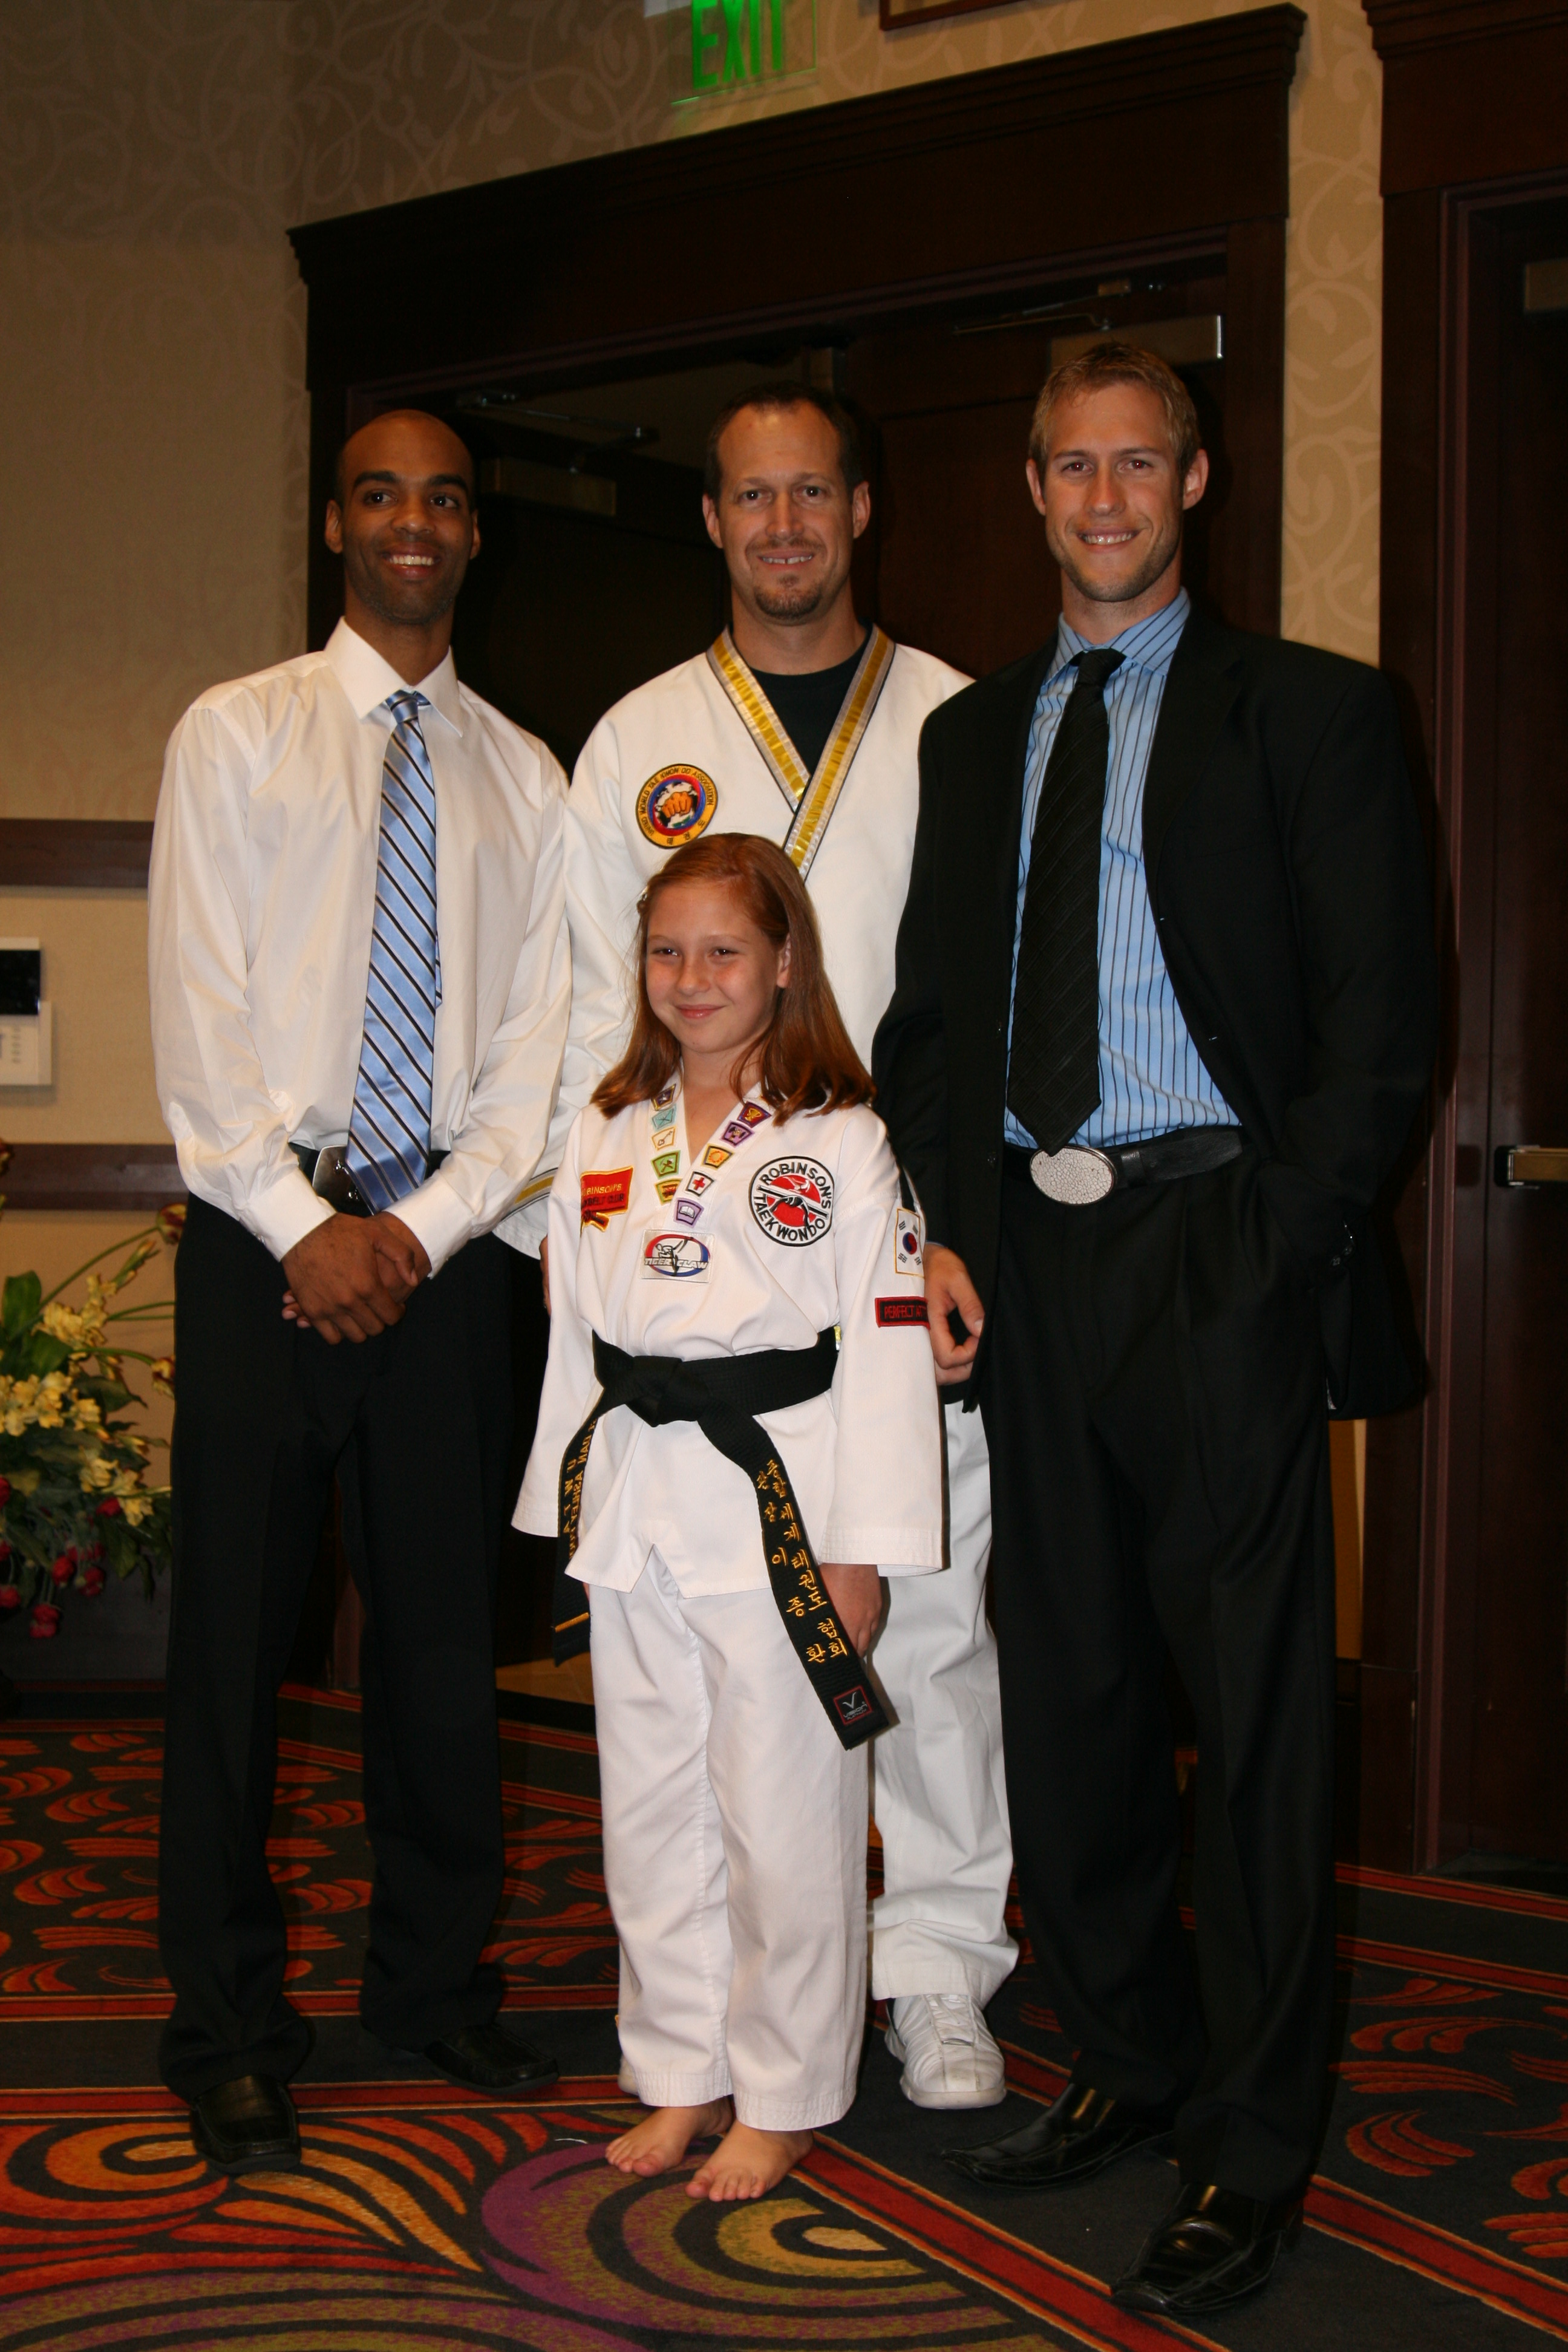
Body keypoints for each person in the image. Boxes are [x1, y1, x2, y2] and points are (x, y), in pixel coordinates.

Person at [874, 343, 1436, 2316]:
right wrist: (942, 1226)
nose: (1103, 495)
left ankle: (1252, 2142)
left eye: (1139, 463)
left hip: (1215, 1247)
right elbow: (933, 1016)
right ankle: (1126, 2054)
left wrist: (1276, 1240)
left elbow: (1384, 1017)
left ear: (1194, 483)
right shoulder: (972, 735)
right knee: (1075, 1696)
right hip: (1024, 1269)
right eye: (1072, 464)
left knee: (1256, 1723)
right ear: (1030, 487)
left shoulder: (1313, 713)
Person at [550, 379, 1015, 2111]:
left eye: (814, 493)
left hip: (904, 1245)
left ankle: (940, 1970)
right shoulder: (638, 737)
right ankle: (725, 2008)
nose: (785, 526)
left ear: (862, 507)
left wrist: (956, 1232)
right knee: (707, 1694)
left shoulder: (958, 718)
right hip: (701, 1253)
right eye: (753, 497)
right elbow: (587, 1012)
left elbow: (997, 1007)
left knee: (927, 1629)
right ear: (712, 519)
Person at [148, 408, 570, 2176]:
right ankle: (228, 2023)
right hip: (262, 1250)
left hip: (444, 1265)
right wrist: (299, 1222)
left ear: (475, 533)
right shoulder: (234, 733)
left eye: (445, 499)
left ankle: (433, 1981)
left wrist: (424, 1230)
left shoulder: (528, 775)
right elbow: (199, 1011)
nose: (415, 523)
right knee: (232, 1653)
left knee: (444, 1647)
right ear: (337, 524)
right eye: (382, 494)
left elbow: (535, 1054)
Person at [516, 834, 943, 2198]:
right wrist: (563, 1502)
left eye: (723, 952)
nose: (691, 979)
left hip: (782, 1509)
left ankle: (787, 2089)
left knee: (786, 1815)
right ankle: (681, 2067)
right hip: (638, 1497)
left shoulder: (839, 1137)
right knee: (649, 1806)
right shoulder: (605, 1127)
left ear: (785, 964)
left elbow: (886, 1351)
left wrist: (861, 1551)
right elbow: (572, 1337)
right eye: (667, 951)